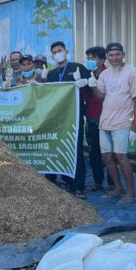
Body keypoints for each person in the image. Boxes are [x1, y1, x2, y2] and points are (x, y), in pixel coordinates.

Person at [94, 43, 136, 203]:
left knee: (121, 157)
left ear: (123, 54)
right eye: (111, 55)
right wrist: (92, 85)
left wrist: (134, 125)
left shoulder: (132, 71)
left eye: (117, 54)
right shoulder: (104, 74)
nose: (114, 58)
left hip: (122, 122)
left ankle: (132, 192)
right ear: (107, 56)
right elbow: (100, 97)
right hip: (105, 122)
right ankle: (118, 188)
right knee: (107, 157)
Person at [46, 41, 90, 197]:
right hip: (56, 119)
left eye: (60, 50)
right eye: (55, 51)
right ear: (52, 55)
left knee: (76, 150)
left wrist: (83, 83)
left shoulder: (77, 68)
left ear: (66, 51)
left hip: (74, 117)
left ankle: (78, 186)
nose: (58, 53)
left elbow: (90, 89)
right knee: (59, 149)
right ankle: (66, 181)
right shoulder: (51, 74)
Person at [83, 46, 107, 192]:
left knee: (109, 154)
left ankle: (112, 185)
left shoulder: (108, 74)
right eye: (89, 59)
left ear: (103, 60)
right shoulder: (87, 74)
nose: (90, 61)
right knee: (94, 152)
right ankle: (98, 182)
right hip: (91, 118)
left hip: (107, 118)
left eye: (93, 59)